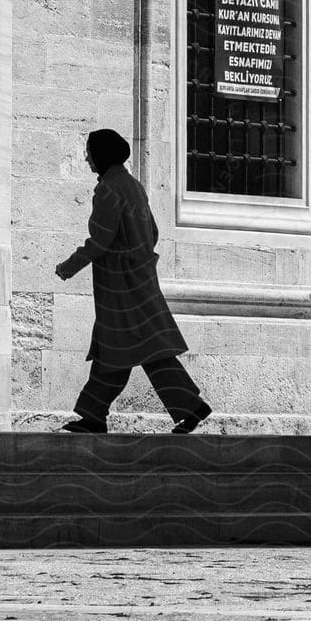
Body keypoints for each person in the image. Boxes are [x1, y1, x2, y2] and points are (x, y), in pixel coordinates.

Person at [54, 128, 212, 434]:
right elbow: (152, 233)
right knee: (123, 350)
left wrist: (68, 267)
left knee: (127, 349)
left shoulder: (108, 190)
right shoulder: (134, 186)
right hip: (140, 281)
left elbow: (99, 240)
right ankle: (94, 414)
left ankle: (185, 407)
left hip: (119, 287)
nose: (86, 157)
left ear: (101, 154)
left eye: (89, 151)